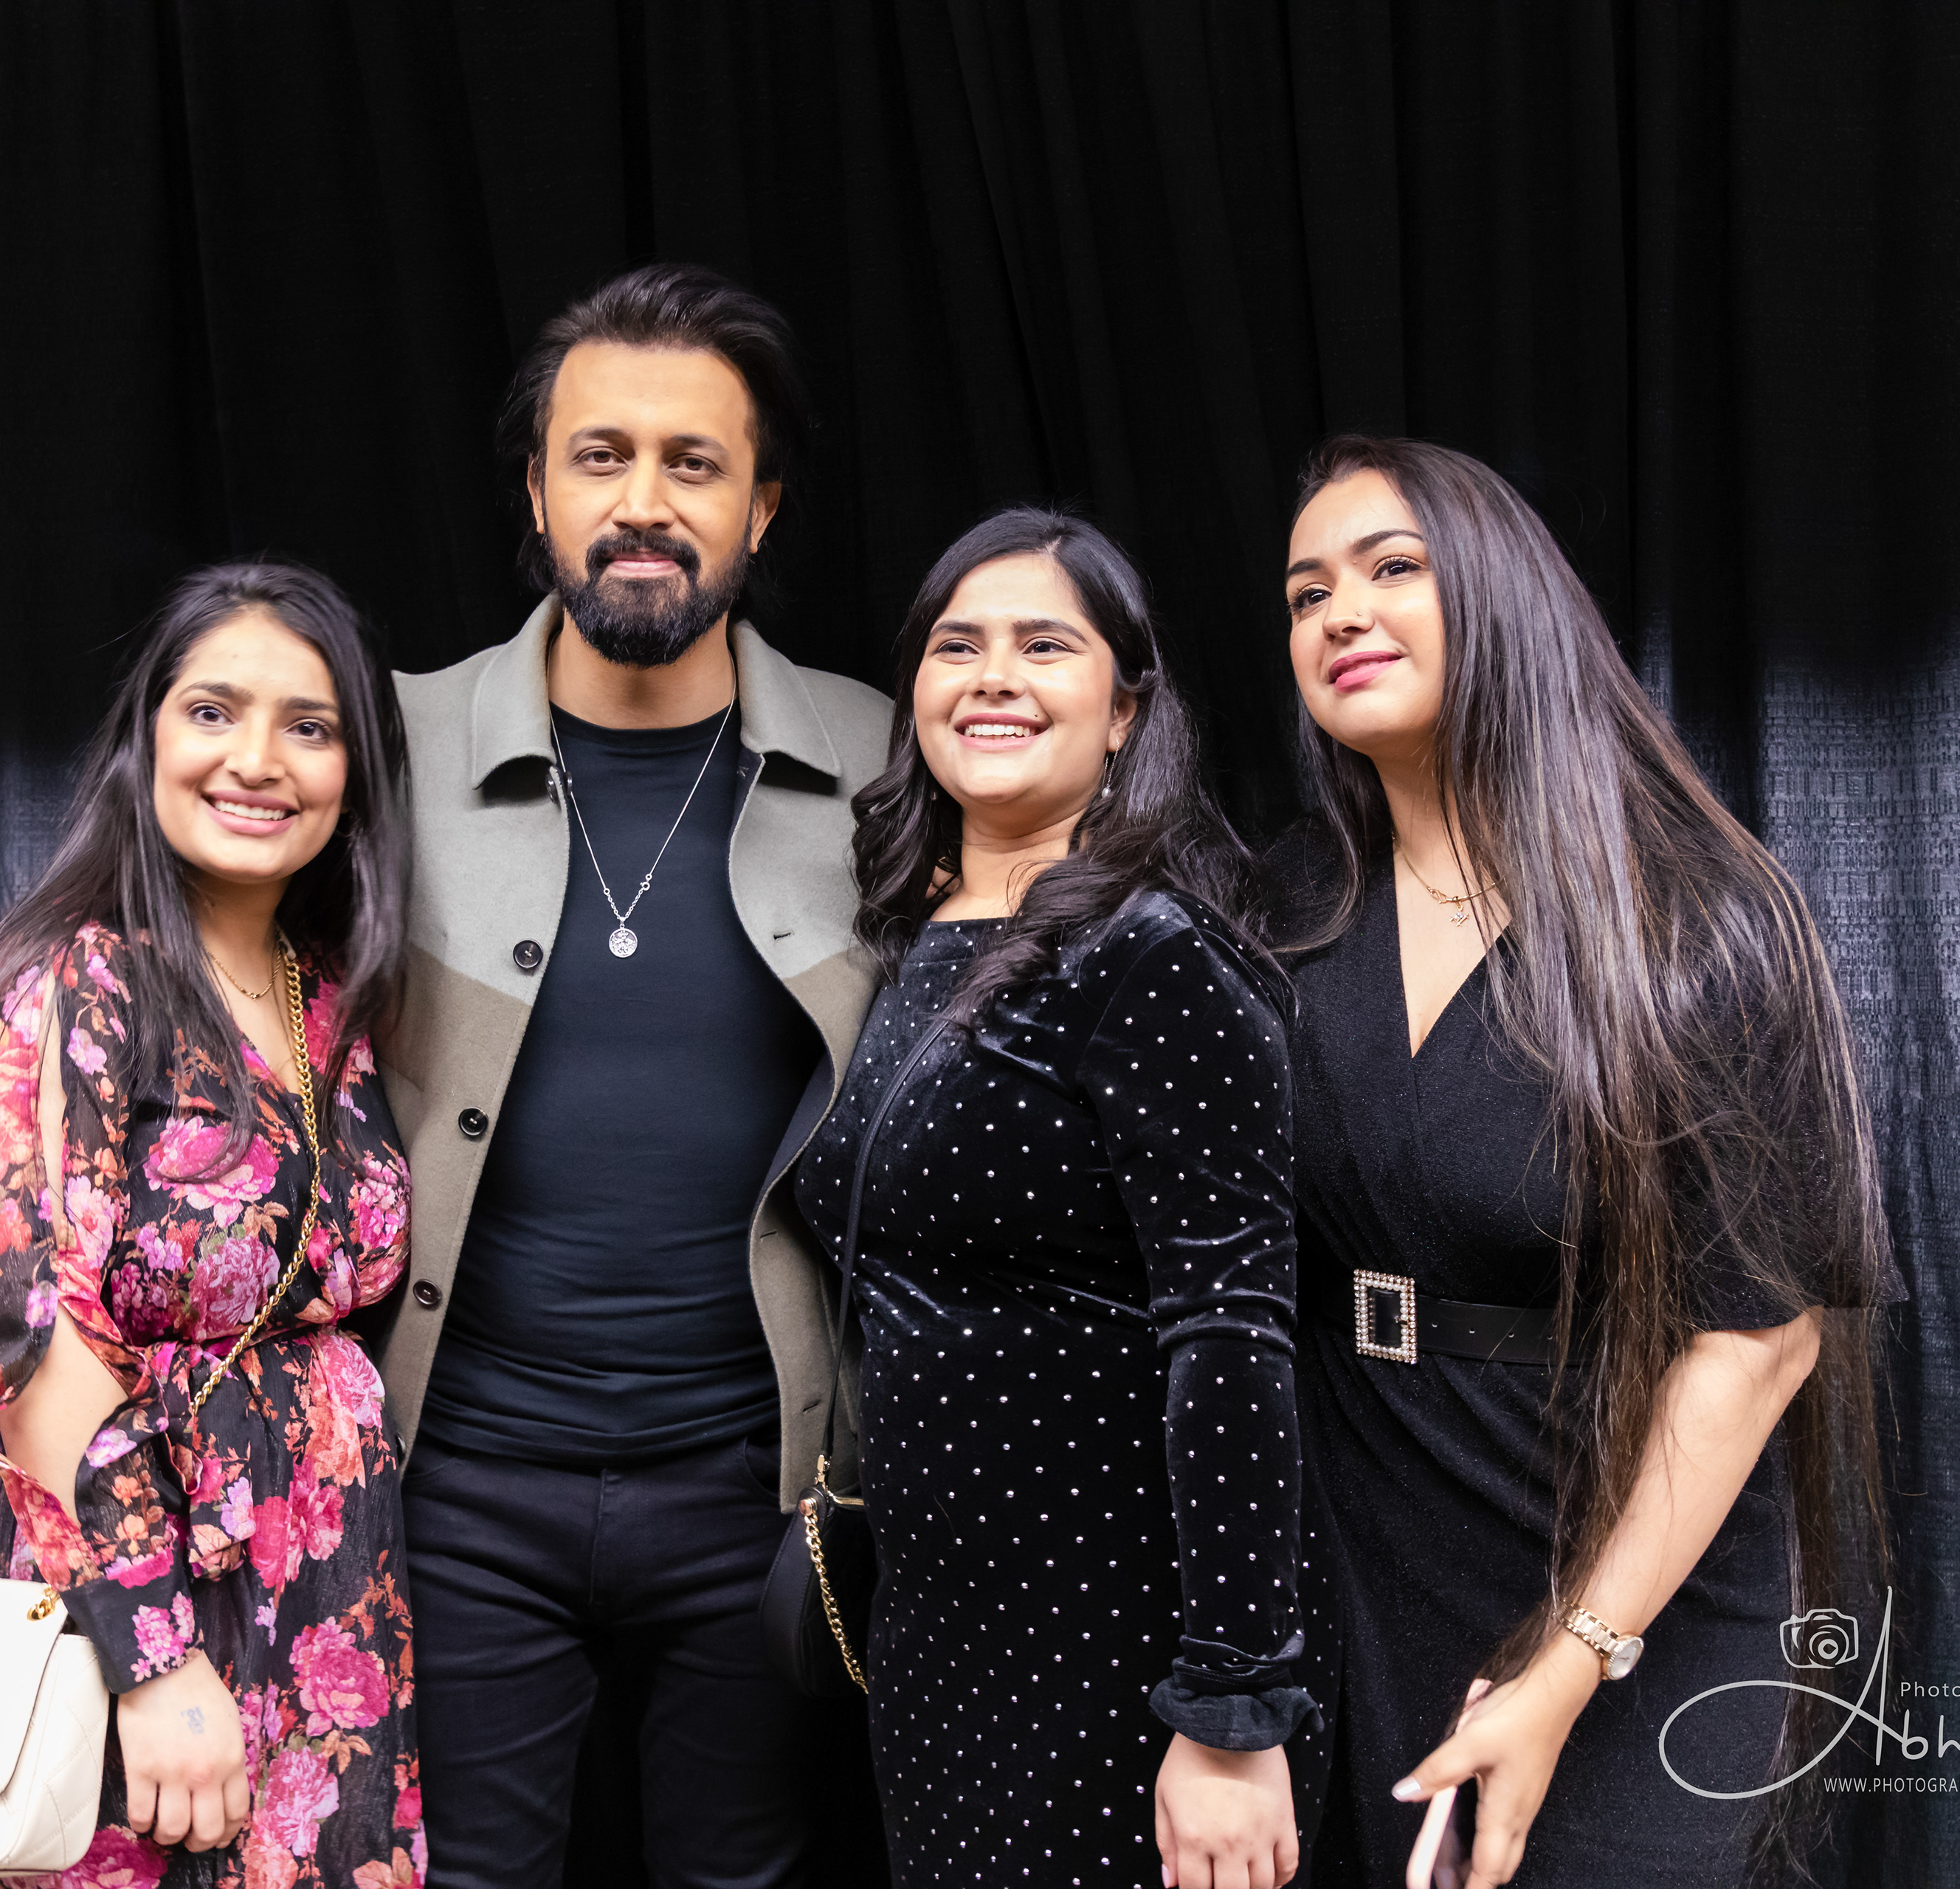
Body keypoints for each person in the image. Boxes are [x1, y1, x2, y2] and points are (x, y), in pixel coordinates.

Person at [0, 265, 896, 1888]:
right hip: (453, 1482)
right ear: (536, 491)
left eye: (694, 461)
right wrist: (7, 1104)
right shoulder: (387, 744)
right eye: (599, 455)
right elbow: (180, 946)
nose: (643, 502)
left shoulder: (886, 757)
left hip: (745, 1481)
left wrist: (22, 1113)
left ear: (765, 504)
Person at [1265, 436, 1891, 1888]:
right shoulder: (1283, 902)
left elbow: (1763, 1340)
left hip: (1631, 1582)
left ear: (1505, 595)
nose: (1342, 613)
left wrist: (1567, 1664)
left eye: (1394, 567)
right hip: (1363, 1545)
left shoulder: (1699, 919)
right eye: (1306, 593)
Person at [795, 508, 1325, 1888]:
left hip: (1114, 1643)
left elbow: (1232, 1334)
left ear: (1125, 708)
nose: (993, 677)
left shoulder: (1154, 955)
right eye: (957, 645)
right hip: (943, 1638)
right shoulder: (911, 935)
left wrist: (1231, 1708)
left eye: (1045, 645)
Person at [0, 562, 422, 1885]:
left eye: (309, 726)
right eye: (212, 711)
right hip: (131, 1591)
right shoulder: (72, 981)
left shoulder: (328, 1001)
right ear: (147, 742)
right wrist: (156, 1660)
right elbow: (28, 1343)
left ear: (356, 773)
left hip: (318, 1586)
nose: (257, 760)